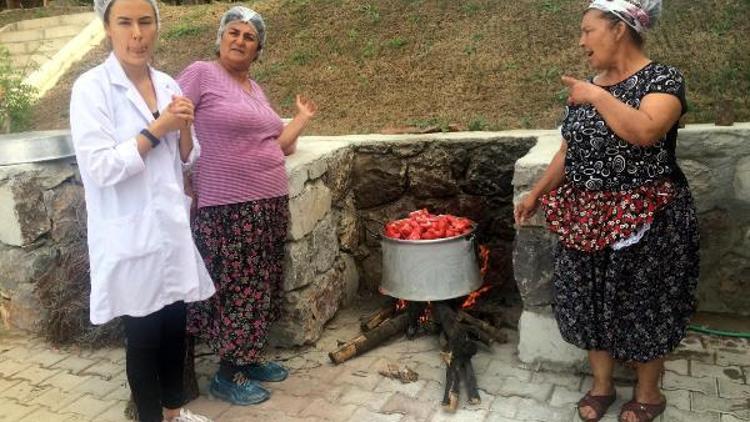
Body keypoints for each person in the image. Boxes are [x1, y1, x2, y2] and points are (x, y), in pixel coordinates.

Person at [514, 1, 699, 421]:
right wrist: (537, 193)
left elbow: (646, 131)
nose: (581, 42)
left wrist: (596, 95)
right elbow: (569, 150)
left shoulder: (662, 79)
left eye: (587, 30)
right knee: (588, 301)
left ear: (619, 29)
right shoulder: (590, 86)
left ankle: (649, 394)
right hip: (586, 216)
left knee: (644, 302)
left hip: (646, 216)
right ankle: (602, 386)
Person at [69, 0, 216, 420]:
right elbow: (100, 167)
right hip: (129, 235)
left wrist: (184, 126)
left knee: (174, 330)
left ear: (157, 27)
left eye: (145, 22)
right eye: (125, 23)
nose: (137, 34)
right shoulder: (91, 89)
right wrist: (158, 128)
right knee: (144, 337)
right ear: (107, 28)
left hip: (170, 232)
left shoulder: (168, 84)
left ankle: (175, 414)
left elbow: (187, 159)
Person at [176, 5, 317, 406]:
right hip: (226, 206)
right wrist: (184, 178)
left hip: (267, 202)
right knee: (235, 288)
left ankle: (249, 358)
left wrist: (302, 117)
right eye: (233, 32)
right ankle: (227, 373)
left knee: (260, 286)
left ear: (259, 50)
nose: (239, 40)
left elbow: (282, 143)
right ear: (220, 38)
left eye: (249, 37)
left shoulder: (256, 91)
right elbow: (170, 121)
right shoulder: (201, 74)